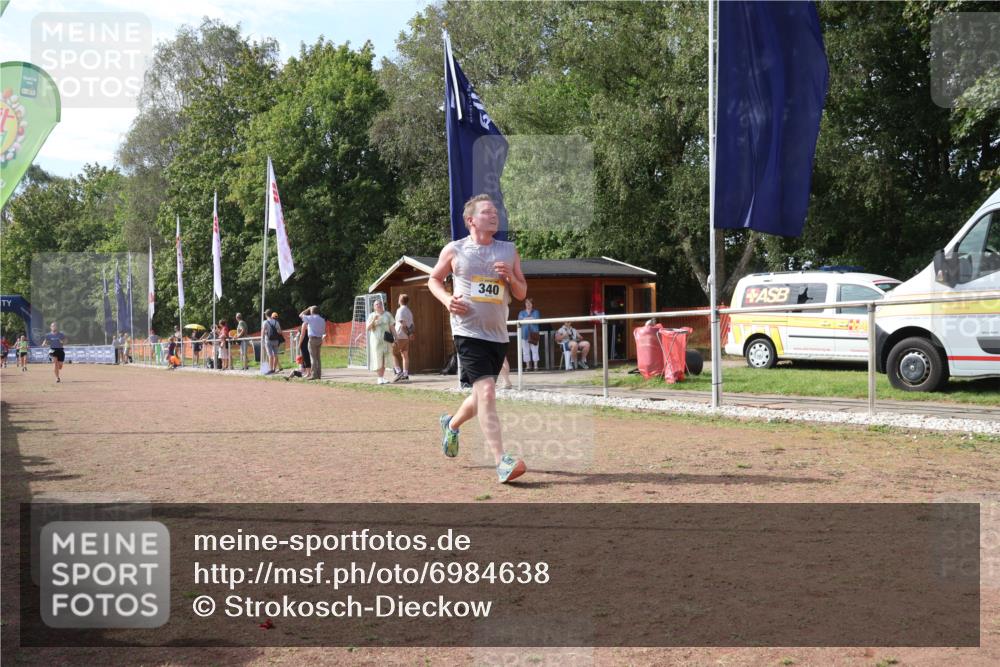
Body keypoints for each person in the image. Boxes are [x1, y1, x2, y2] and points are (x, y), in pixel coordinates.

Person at [428, 194, 528, 484]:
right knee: (486, 393)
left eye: (495, 212)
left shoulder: (508, 250)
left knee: (479, 396)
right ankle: (502, 462)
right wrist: (447, 300)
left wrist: (510, 276)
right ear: (471, 220)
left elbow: (521, 292)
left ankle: (451, 424)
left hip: (497, 334)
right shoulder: (455, 250)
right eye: (487, 212)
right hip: (467, 331)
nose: (494, 216)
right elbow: (433, 279)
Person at [366, 298, 395, 384]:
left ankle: (382, 377)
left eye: (379, 304)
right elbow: (368, 328)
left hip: (386, 340)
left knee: (384, 358)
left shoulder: (388, 314)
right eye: (376, 304)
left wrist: (395, 337)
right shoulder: (371, 315)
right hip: (376, 341)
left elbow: (392, 327)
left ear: (382, 305)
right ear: (374, 307)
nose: (378, 305)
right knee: (377, 358)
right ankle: (379, 378)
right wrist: (373, 320)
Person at [298, 306, 326, 380]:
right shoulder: (322, 319)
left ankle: (314, 375)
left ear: (311, 311)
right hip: (320, 339)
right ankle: (319, 374)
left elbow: (300, 315)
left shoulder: (310, 318)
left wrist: (307, 309)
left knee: (313, 358)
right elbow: (323, 331)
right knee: (318, 358)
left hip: (312, 339)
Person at [392, 294, 414, 382]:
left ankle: (398, 372)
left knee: (391, 352)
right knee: (405, 354)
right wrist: (410, 334)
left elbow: (403, 324)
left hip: (400, 335)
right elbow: (411, 325)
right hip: (406, 337)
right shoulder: (409, 311)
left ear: (400, 300)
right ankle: (405, 374)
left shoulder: (400, 310)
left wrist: (408, 333)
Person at [517, 298, 542, 371]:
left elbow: (536, 320)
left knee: (535, 350)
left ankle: (535, 366)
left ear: (532, 304)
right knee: (525, 351)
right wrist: (531, 318)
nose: (528, 304)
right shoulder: (521, 312)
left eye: (530, 303)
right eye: (527, 303)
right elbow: (520, 320)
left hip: (534, 333)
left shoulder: (536, 312)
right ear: (525, 304)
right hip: (524, 334)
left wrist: (526, 319)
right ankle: (527, 366)